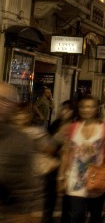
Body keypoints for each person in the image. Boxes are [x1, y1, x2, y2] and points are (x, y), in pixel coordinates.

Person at [57, 96, 105, 223]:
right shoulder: (73, 128)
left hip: (98, 178)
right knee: (77, 215)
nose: (86, 110)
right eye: (83, 107)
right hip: (75, 178)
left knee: (96, 216)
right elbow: (66, 153)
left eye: (90, 107)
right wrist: (61, 177)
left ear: (97, 109)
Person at [0, 82, 42, 222]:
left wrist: (30, 214)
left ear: (13, 107)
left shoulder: (19, 141)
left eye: (4, 100)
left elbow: (28, 187)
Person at [44, 100, 75, 223]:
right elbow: (48, 142)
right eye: (63, 109)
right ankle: (48, 217)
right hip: (54, 164)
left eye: (68, 109)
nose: (64, 112)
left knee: (68, 196)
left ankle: (66, 218)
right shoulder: (56, 124)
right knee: (50, 194)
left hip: (68, 165)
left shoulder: (75, 126)